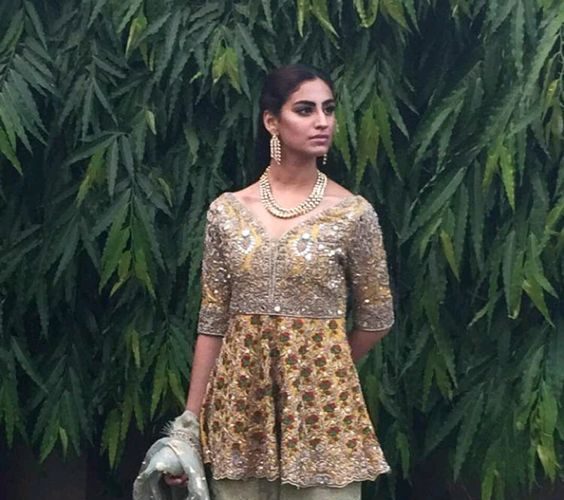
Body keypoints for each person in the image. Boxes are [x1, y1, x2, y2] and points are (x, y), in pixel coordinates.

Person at [134, 64, 395, 500]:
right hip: (240, 412)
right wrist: (188, 429)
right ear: (272, 121)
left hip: (322, 412)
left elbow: (377, 318)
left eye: (329, 109)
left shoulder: (352, 214)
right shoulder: (227, 212)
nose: (322, 121)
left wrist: (326, 366)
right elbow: (212, 323)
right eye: (305, 110)